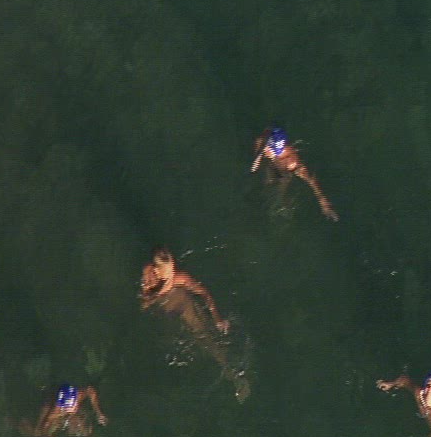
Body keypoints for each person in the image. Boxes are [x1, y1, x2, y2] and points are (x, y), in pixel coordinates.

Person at [140, 247, 250, 402]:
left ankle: (236, 376)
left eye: (173, 270)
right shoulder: (149, 278)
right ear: (157, 271)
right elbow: (144, 306)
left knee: (208, 339)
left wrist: (217, 318)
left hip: (186, 310)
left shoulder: (179, 278)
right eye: (168, 273)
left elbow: (204, 293)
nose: (173, 275)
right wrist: (161, 291)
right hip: (168, 315)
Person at [250, 126, 338, 221]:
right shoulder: (265, 139)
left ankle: (283, 207)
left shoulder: (291, 162)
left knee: (278, 187)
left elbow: (310, 180)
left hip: (282, 172)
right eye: (267, 146)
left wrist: (323, 201)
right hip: (271, 164)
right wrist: (258, 157)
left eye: (271, 150)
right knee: (266, 179)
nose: (266, 151)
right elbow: (266, 132)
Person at [18, 383, 107, 437]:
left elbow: (90, 391)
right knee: (35, 432)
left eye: (78, 434)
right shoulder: (65, 407)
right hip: (42, 398)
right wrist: (98, 412)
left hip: (49, 410)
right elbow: (89, 390)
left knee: (36, 433)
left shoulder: (65, 418)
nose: (74, 434)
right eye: (78, 432)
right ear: (80, 420)